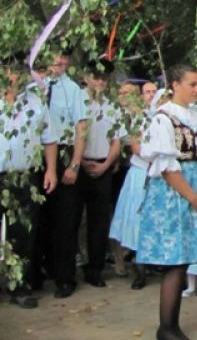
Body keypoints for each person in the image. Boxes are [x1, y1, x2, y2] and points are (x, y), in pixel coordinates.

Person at [136, 63, 197, 340]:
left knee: (184, 259)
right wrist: (193, 197)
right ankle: (167, 327)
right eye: (192, 84)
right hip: (174, 193)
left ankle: (170, 325)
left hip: (194, 188)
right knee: (175, 261)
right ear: (175, 85)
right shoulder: (163, 118)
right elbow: (167, 168)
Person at [0, 55, 57, 308]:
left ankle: (20, 286)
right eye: (9, 70)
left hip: (25, 176)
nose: (14, 75)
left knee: (23, 234)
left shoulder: (36, 102)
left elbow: (50, 139)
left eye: (19, 70)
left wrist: (51, 170)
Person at [36, 50, 88, 298]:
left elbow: (81, 126)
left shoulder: (73, 89)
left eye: (63, 57)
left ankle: (64, 278)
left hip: (64, 154)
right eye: (54, 56)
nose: (58, 61)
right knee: (38, 218)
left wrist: (75, 164)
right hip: (36, 155)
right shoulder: (34, 86)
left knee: (65, 220)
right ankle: (34, 274)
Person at [76, 58, 126, 288]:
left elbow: (117, 139)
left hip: (103, 165)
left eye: (104, 78)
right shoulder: (77, 101)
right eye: (96, 77)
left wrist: (106, 164)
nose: (100, 82)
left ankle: (95, 268)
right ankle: (68, 268)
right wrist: (80, 161)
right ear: (86, 78)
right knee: (73, 219)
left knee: (99, 220)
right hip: (78, 166)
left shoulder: (112, 106)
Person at [109, 77, 150, 290]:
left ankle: (146, 263)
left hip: (150, 171)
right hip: (136, 169)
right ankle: (131, 264)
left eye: (131, 94)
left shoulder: (149, 117)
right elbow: (136, 147)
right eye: (123, 93)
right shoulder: (121, 116)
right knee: (132, 218)